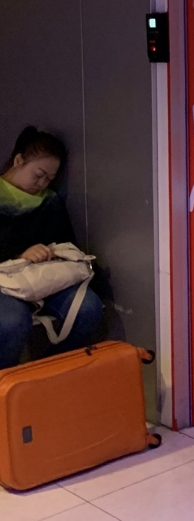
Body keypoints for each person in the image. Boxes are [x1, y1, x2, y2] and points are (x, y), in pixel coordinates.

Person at [0, 127, 104, 370]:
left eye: (49, 178)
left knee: (89, 309)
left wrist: (52, 251)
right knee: (13, 321)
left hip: (42, 278)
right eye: (38, 174)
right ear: (18, 160)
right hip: (5, 281)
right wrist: (19, 253)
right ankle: (8, 383)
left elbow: (66, 244)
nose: (42, 183)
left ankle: (47, 373)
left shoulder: (50, 201)